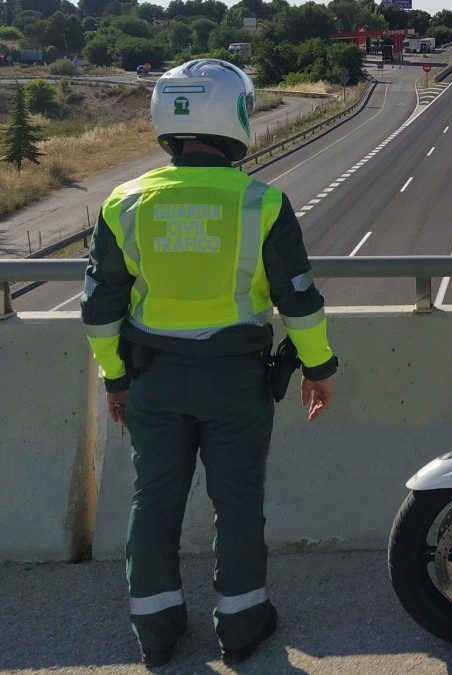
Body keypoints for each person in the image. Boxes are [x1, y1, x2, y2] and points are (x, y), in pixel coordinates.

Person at [80, 59, 337, 668]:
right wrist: (319, 367)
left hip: (152, 379)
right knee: (238, 501)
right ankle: (242, 624)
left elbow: (97, 310)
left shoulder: (125, 201)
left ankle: (157, 632)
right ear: (237, 118)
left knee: (155, 499)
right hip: (238, 382)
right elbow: (297, 301)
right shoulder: (263, 202)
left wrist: (115, 377)